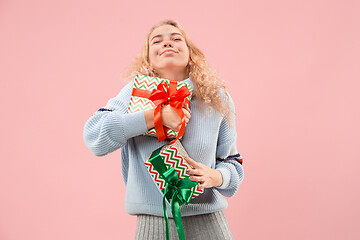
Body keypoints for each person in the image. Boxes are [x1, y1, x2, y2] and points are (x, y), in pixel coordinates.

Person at [83, 19, 244, 240]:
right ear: (148, 58)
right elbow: (95, 137)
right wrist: (154, 117)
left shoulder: (216, 99)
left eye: (176, 39)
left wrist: (216, 176)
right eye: (156, 41)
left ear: (191, 54)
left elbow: (233, 164)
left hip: (210, 225)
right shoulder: (134, 95)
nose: (167, 44)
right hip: (153, 227)